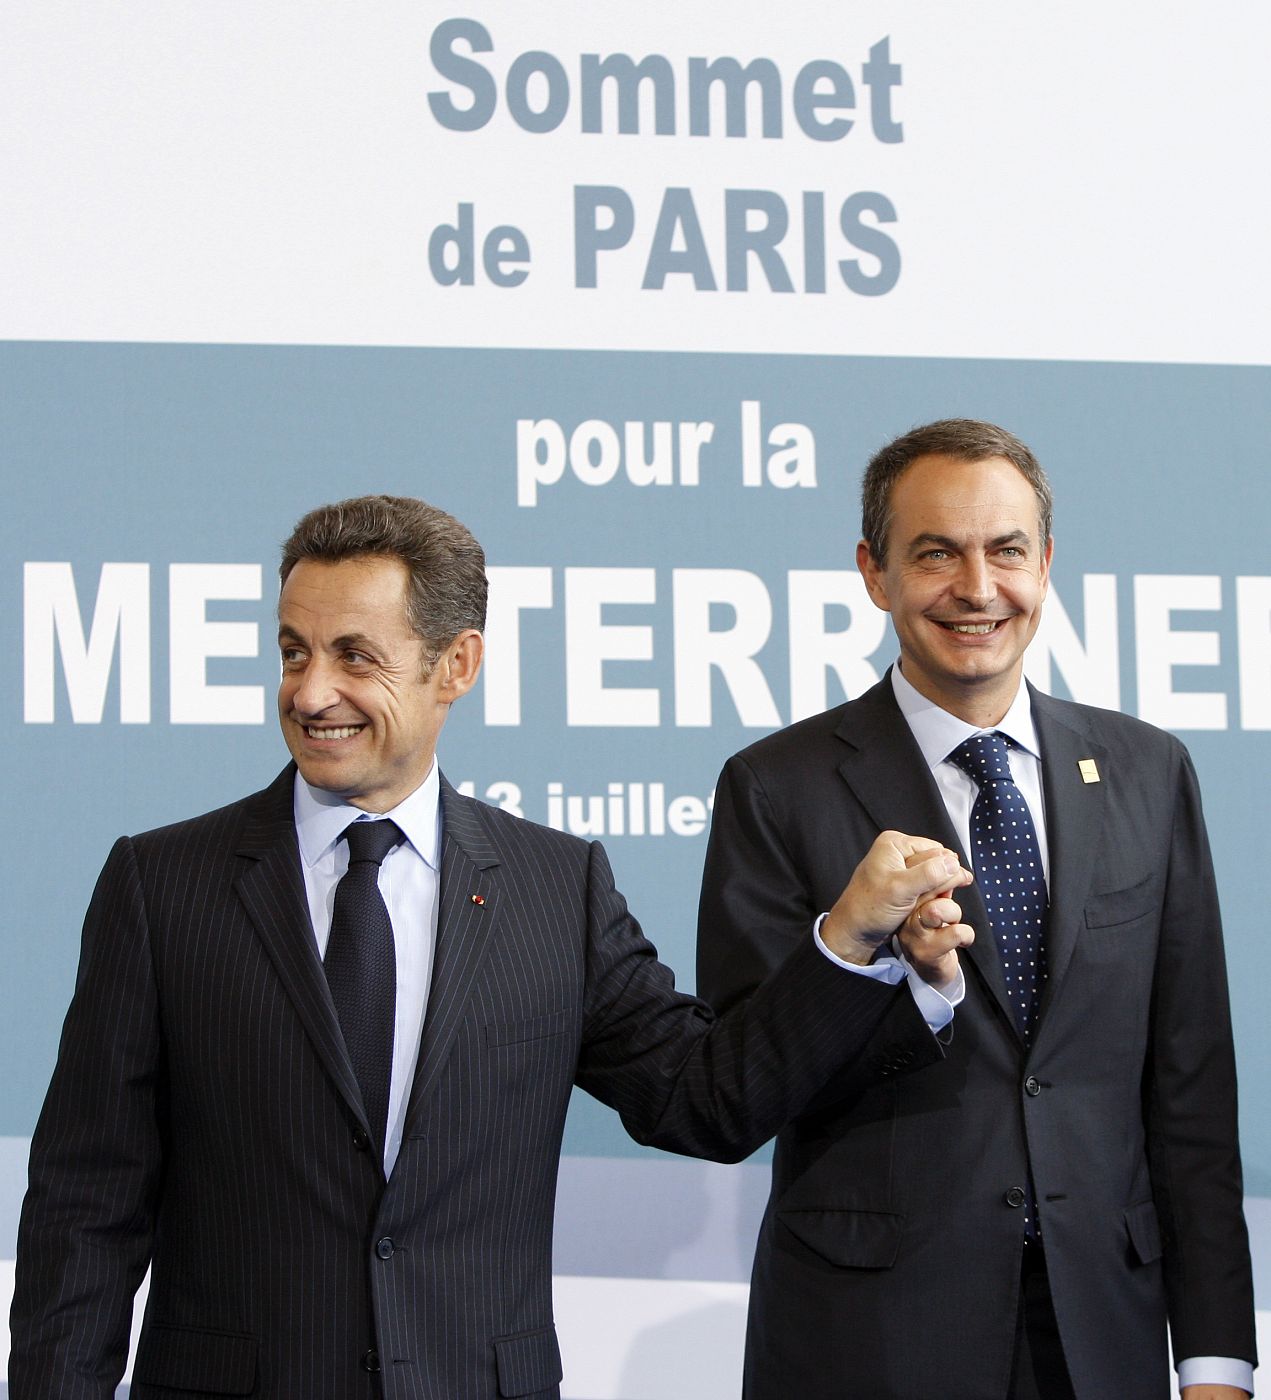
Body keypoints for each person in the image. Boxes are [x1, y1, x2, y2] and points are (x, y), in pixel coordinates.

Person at [9, 494, 972, 1400]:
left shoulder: (556, 889)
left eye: (355, 656)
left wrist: (847, 941)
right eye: (293, 651)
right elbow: (84, 1207)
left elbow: (704, 1102)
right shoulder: (162, 884)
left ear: (456, 665)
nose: (310, 692)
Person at [697, 420, 1256, 1400]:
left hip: (1100, 1330)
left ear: (1043, 563)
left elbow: (1190, 1091)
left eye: (1003, 549)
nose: (975, 586)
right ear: (873, 573)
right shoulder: (775, 786)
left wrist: (1213, 1355)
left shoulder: (1144, 772)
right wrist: (886, 973)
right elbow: (740, 1084)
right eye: (934, 553)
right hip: (867, 1337)